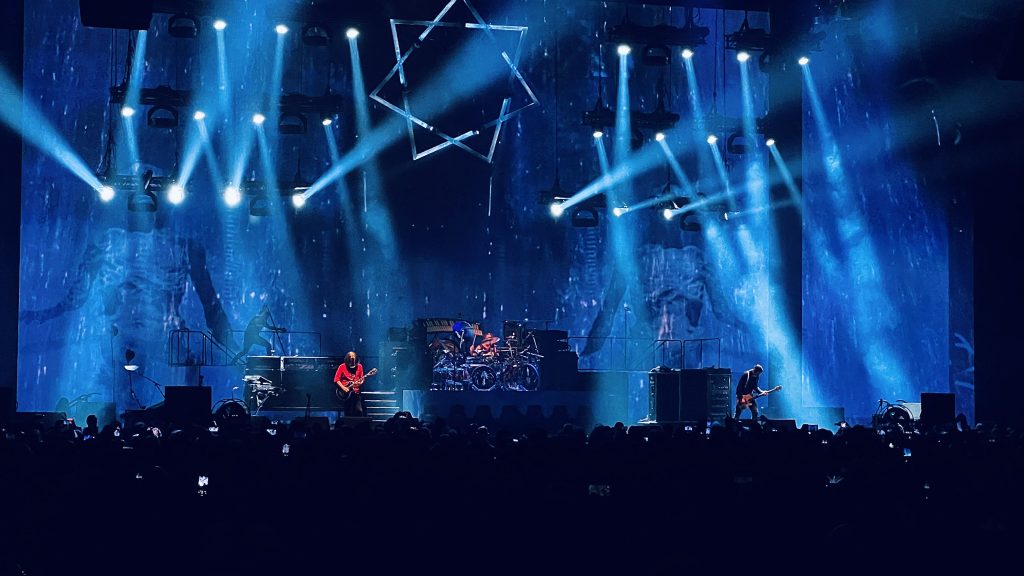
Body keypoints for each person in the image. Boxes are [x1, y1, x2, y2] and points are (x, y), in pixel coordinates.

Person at [334, 351, 371, 417]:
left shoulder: (359, 366)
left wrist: (360, 383)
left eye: (353, 357)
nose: (352, 359)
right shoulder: (342, 366)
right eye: (350, 357)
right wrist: (344, 388)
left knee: (359, 411)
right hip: (346, 393)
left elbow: (362, 378)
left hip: (356, 392)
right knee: (348, 411)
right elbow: (336, 379)